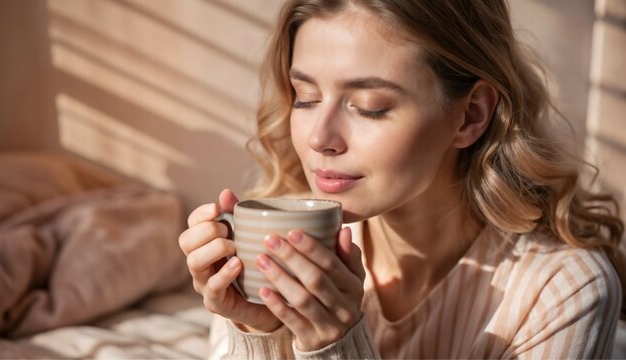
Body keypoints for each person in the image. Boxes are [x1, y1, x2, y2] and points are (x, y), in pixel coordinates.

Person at [178, 0, 625, 358]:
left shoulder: (562, 292)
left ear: (470, 115)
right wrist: (260, 330)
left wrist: (335, 347)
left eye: (369, 105)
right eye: (306, 97)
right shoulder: (278, 244)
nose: (319, 138)